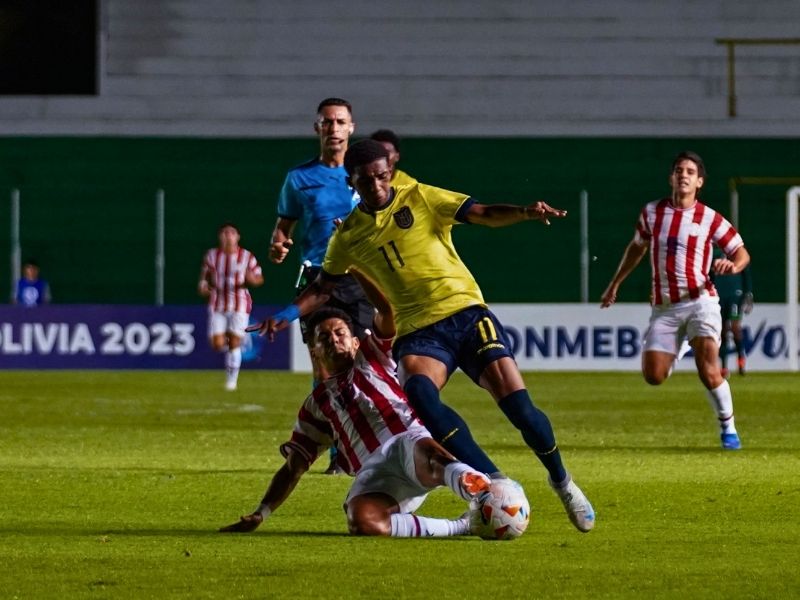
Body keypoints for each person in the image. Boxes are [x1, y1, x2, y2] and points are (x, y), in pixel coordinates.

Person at [252, 139, 596, 533]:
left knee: (521, 411)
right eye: (367, 181)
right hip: (417, 329)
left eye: (383, 177)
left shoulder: (420, 197)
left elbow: (481, 213)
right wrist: (285, 313)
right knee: (418, 391)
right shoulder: (348, 236)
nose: (378, 186)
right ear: (353, 182)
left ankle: (563, 483)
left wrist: (523, 212)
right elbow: (323, 288)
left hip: (465, 311)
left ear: (390, 173)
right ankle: (495, 482)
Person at [220, 270, 492, 538]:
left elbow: (386, 311)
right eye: (323, 338)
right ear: (314, 351)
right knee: (361, 520)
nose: (333, 339)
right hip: (376, 474)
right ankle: (463, 526)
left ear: (354, 341)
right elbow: (294, 467)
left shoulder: (375, 355)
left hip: (409, 445)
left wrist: (354, 268)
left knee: (421, 447)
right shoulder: (315, 405)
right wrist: (262, 512)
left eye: (339, 333)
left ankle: (485, 491)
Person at [600, 151, 750, 450]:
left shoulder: (710, 218)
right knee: (653, 376)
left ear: (699, 182)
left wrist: (733, 266)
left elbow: (741, 253)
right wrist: (615, 282)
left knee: (708, 369)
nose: (684, 175)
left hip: (701, 302)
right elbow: (636, 248)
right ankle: (680, 343)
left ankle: (728, 429)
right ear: (671, 177)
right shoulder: (652, 213)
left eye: (690, 172)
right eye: (679, 170)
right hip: (665, 308)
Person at [269, 97, 375, 474]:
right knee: (324, 369)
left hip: (361, 279)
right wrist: (278, 242)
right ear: (317, 128)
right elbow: (285, 225)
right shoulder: (299, 178)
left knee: (364, 365)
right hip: (316, 277)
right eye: (327, 122)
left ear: (351, 127)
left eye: (340, 121)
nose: (333, 128)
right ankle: (335, 454)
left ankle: (368, 445)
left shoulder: (369, 176)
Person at [198, 222, 264, 391]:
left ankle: (231, 380)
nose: (228, 236)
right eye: (225, 233)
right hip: (217, 303)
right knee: (217, 343)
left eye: (231, 232)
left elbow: (259, 278)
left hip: (240, 303)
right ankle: (235, 347)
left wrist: (251, 279)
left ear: (238, 237)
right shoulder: (212, 256)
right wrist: (204, 285)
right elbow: (205, 276)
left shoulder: (247, 257)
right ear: (220, 236)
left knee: (234, 342)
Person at [711, 255, 753, 377]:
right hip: (719, 296)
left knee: (735, 329)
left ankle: (741, 362)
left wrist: (748, 293)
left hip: (735, 295)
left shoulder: (737, 253)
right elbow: (709, 275)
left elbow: (746, 273)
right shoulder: (714, 253)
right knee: (722, 331)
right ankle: (723, 367)